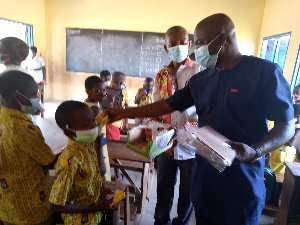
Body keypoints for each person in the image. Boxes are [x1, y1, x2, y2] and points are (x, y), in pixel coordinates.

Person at [106, 13, 295, 225]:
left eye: (201, 43)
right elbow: (167, 104)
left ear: (222, 40)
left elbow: (286, 126)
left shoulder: (264, 73)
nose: (197, 50)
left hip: (241, 184)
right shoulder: (202, 80)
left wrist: (256, 150)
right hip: (205, 182)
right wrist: (123, 112)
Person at [148, 25, 200, 225]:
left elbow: (205, 108)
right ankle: (161, 221)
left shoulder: (199, 71)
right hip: (166, 144)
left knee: (188, 190)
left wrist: (189, 129)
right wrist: (156, 128)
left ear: (189, 44)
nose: (178, 46)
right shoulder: (161, 75)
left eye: (182, 42)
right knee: (163, 187)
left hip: (191, 145)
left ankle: (181, 222)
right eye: (173, 43)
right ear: (166, 47)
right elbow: (156, 106)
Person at [0, 70, 57, 225]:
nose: (37, 98)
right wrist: (77, 143)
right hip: (32, 206)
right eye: (33, 94)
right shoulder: (25, 128)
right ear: (17, 96)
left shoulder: (3, 118)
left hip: (7, 206)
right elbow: (49, 161)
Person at [49, 101, 115, 225]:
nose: (93, 126)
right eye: (87, 124)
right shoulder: (70, 161)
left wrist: (100, 190)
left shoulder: (87, 146)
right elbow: (54, 205)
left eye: (92, 121)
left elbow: (99, 172)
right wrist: (94, 207)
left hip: (95, 217)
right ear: (69, 132)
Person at [84, 76, 111, 181]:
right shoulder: (95, 109)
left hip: (93, 147)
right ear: (88, 92)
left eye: (104, 90)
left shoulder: (85, 104)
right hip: (98, 148)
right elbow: (97, 133)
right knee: (102, 177)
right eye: (98, 91)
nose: (102, 93)